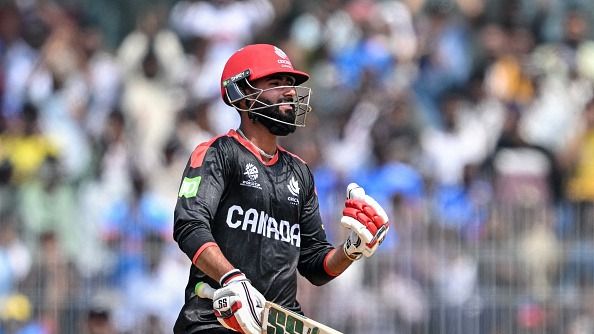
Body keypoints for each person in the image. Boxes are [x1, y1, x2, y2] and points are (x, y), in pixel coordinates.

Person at [172, 44, 390, 334]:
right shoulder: (218, 153)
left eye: (290, 84)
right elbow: (189, 225)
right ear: (243, 96)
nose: (289, 92)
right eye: (275, 83)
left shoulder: (300, 173)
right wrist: (232, 279)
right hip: (214, 321)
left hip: (278, 325)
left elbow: (315, 264)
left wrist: (352, 249)